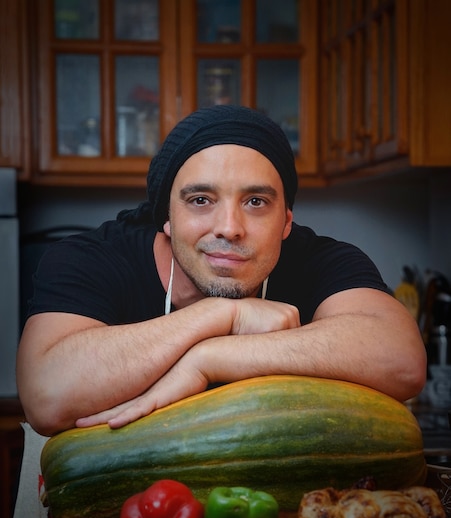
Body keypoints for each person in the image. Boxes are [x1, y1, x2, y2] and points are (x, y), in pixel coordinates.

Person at [17, 105, 426, 437]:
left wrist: (210, 357)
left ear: (286, 221)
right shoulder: (90, 259)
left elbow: (401, 360)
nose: (229, 227)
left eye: (255, 202)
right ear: (166, 218)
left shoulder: (320, 259)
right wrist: (222, 314)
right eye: (200, 200)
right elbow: (46, 396)